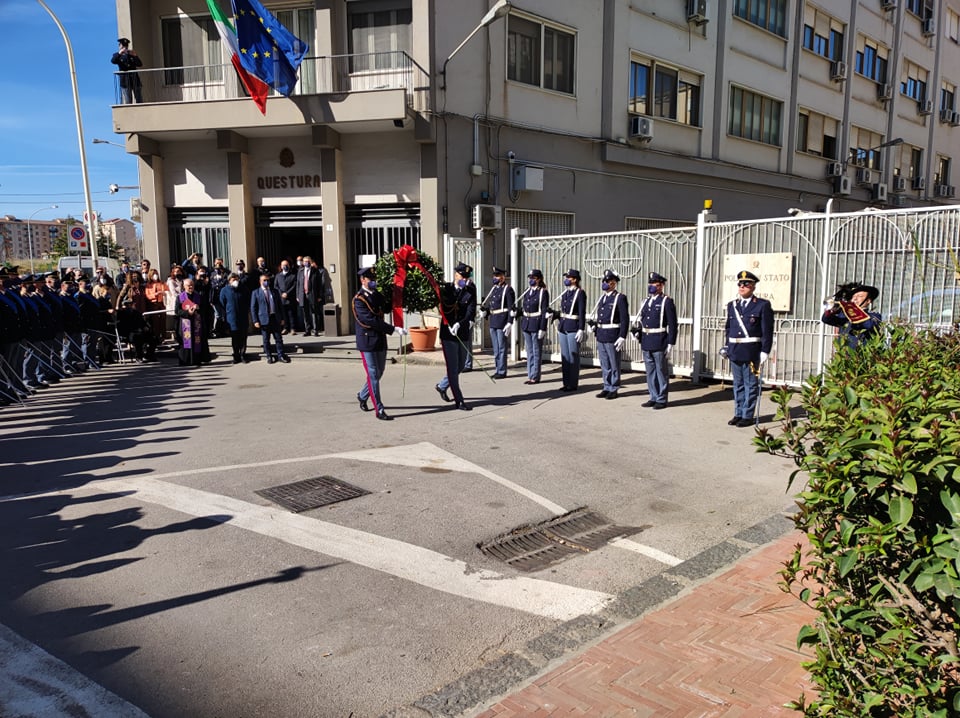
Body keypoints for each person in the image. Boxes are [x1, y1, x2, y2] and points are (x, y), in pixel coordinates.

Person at [352, 267, 407, 420]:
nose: (373, 282)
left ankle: (363, 395)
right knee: (373, 374)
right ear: (363, 280)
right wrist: (393, 328)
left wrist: (398, 292)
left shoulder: (377, 295)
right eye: (370, 280)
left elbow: (387, 307)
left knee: (380, 371)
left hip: (380, 340)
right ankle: (379, 409)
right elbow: (370, 320)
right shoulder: (359, 299)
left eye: (374, 280)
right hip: (367, 341)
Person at [722, 270, 774, 427]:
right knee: (737, 384)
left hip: (752, 351)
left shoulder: (762, 305)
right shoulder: (733, 305)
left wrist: (765, 350)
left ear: (753, 287)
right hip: (735, 350)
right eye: (740, 284)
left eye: (746, 284)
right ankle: (738, 413)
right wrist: (726, 346)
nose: (742, 286)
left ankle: (747, 415)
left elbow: (767, 330)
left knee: (751, 384)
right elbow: (729, 328)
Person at [633, 271, 678, 409]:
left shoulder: (666, 301)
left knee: (661, 371)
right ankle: (653, 396)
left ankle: (661, 398)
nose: (652, 286)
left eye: (655, 284)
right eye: (651, 283)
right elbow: (643, 319)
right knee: (650, 371)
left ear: (661, 286)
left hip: (659, 340)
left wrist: (671, 342)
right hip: (646, 340)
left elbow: (672, 324)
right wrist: (637, 331)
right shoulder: (646, 301)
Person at [435, 262, 477, 404]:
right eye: (461, 276)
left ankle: (442, 386)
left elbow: (471, 310)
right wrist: (453, 324)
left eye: (466, 277)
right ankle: (459, 400)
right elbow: (446, 310)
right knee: (453, 367)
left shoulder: (470, 289)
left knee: (460, 365)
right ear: (455, 275)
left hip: (463, 330)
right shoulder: (447, 289)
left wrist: (461, 323)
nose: (464, 280)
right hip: (449, 334)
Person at [590, 269, 629, 399]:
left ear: (614, 283)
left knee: (614, 363)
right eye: (604, 281)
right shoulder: (603, 298)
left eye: (607, 281)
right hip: (601, 334)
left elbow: (624, 319)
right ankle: (606, 386)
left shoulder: (620, 298)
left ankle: (614, 387)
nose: (605, 283)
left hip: (612, 334)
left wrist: (622, 336)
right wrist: (594, 326)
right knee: (604, 363)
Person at [821, 281, 882, 350]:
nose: (855, 298)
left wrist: (852, 309)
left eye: (860, 296)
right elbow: (825, 319)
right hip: (845, 355)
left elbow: (868, 324)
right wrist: (833, 309)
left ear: (868, 301)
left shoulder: (874, 316)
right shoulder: (844, 315)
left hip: (863, 356)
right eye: (854, 296)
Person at [480, 266, 515, 379]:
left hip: (502, 321)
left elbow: (511, 308)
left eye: (497, 276)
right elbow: (492, 305)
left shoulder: (508, 289)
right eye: (494, 276)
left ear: (502, 277)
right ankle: (497, 369)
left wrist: (509, 322)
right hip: (493, 321)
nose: (495, 278)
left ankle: (502, 370)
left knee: (501, 347)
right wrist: (486, 312)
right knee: (496, 348)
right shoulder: (494, 289)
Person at [555, 268, 587, 392]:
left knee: (573, 356)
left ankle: (572, 383)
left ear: (575, 280)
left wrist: (581, 328)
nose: (566, 280)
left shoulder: (580, 293)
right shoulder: (566, 293)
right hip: (563, 326)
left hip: (573, 326)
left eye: (569, 278)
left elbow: (581, 312)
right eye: (566, 277)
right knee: (565, 357)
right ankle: (566, 382)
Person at [517, 269, 549, 385]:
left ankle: (535, 376)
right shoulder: (527, 291)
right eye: (530, 278)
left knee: (536, 351)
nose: (531, 280)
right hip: (526, 323)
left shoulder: (542, 292)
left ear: (539, 279)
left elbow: (544, 311)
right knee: (529, 351)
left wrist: (543, 328)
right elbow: (525, 307)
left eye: (533, 278)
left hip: (536, 324)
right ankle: (530, 374)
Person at [250, 272, 290, 364]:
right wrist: (255, 320)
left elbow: (280, 305)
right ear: (260, 282)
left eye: (268, 280)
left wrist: (283, 318)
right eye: (264, 280)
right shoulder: (256, 292)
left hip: (275, 317)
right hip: (263, 319)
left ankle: (281, 355)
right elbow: (253, 307)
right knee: (266, 339)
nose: (266, 282)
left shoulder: (274, 291)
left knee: (278, 338)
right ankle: (269, 356)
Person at [175, 277, 211, 366]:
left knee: (197, 341)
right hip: (185, 323)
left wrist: (198, 308)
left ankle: (196, 360)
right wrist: (188, 312)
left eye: (192, 285)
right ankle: (186, 361)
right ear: (184, 286)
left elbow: (205, 309)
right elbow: (177, 311)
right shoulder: (180, 297)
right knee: (186, 342)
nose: (190, 287)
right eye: (188, 285)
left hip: (196, 323)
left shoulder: (199, 296)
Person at [219, 273, 249, 364]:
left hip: (243, 317)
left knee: (243, 337)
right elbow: (222, 302)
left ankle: (243, 354)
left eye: (237, 279)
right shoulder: (225, 290)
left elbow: (248, 300)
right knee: (235, 338)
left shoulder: (244, 289)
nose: (235, 281)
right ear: (229, 281)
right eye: (233, 279)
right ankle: (236, 356)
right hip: (231, 317)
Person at [116, 297, 157, 362]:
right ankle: (138, 357)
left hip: (140, 331)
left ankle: (149, 355)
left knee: (153, 338)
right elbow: (122, 326)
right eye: (127, 304)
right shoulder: (121, 313)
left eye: (130, 304)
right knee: (137, 338)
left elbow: (142, 322)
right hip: (128, 333)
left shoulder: (136, 313)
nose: (129, 306)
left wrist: (145, 327)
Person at [111, 38, 143, 104]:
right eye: (123, 46)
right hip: (125, 82)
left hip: (135, 80)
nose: (125, 48)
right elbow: (113, 61)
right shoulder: (117, 55)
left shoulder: (131, 55)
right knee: (128, 101)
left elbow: (140, 64)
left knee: (139, 99)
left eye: (126, 46)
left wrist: (135, 56)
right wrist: (119, 53)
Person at [297, 255, 321, 336]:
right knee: (305, 313)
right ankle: (307, 330)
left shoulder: (315, 271)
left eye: (308, 261)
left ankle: (315, 330)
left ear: (310, 262)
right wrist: (298, 295)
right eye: (305, 261)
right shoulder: (300, 271)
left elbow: (319, 284)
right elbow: (298, 284)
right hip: (303, 294)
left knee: (314, 312)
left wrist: (319, 296)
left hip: (312, 294)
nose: (306, 263)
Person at [143, 268, 167, 343]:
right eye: (153, 274)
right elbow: (147, 295)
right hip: (153, 304)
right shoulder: (148, 285)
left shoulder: (162, 283)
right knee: (155, 321)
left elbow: (167, 291)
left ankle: (163, 336)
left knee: (163, 320)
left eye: (156, 274)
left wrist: (164, 293)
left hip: (162, 303)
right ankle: (156, 337)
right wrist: (154, 295)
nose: (155, 275)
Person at [274, 259, 298, 334]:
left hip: (290, 298)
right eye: (283, 265)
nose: (285, 266)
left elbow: (294, 285)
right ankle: (285, 328)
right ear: (281, 266)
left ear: (289, 266)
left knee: (291, 314)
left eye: (286, 265)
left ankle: (293, 328)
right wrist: (281, 293)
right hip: (281, 299)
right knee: (283, 314)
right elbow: (276, 286)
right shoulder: (278, 276)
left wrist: (287, 293)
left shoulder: (293, 275)